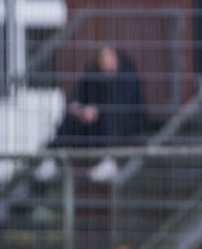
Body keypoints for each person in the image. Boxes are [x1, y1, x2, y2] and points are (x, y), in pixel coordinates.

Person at [35, 45, 147, 183]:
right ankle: (52, 159)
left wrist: (98, 110)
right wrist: (78, 107)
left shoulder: (127, 77)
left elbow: (125, 104)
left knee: (111, 116)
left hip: (125, 125)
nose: (105, 62)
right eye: (102, 59)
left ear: (116, 58)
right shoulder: (93, 75)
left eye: (108, 58)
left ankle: (110, 161)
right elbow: (80, 94)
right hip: (94, 126)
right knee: (70, 119)